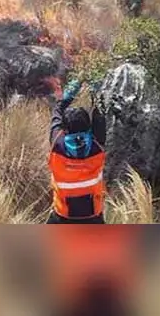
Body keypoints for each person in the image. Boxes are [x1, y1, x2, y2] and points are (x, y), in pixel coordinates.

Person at [47, 78, 107, 224]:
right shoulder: (96, 145)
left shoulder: (58, 144)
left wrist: (75, 86)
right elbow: (99, 115)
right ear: (89, 128)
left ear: (64, 129)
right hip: (93, 217)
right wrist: (95, 88)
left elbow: (57, 110)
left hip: (62, 217)